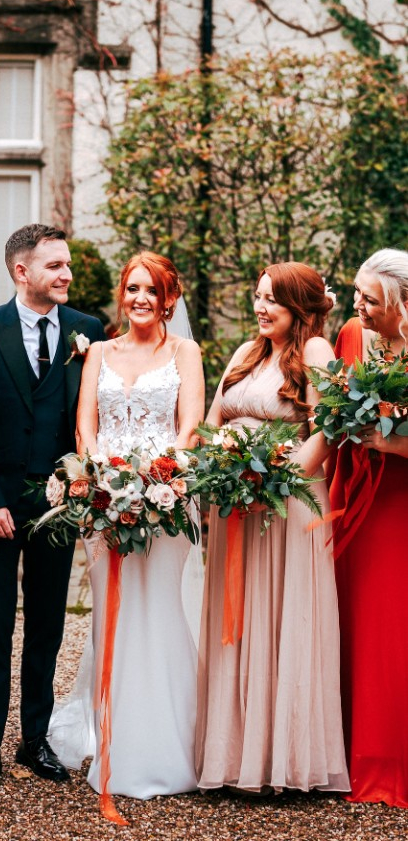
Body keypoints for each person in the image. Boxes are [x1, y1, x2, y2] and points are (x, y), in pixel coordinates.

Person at [53, 253, 205, 810]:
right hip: (105, 501)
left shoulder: (184, 352)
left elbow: (189, 426)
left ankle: (166, 748)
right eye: (133, 287)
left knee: (158, 610)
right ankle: (115, 743)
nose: (140, 298)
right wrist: (104, 481)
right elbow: (85, 425)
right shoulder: (98, 351)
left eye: (152, 290)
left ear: (170, 298)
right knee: (112, 617)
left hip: (167, 501)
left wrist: (154, 480)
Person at [0, 224, 105, 791]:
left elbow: (87, 417)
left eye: (66, 265)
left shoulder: (86, 331)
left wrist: (81, 490)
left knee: (46, 629)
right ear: (22, 272)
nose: (66, 275)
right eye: (55, 266)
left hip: (59, 508)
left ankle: (34, 741)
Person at [195, 262, 350, 794]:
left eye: (273, 302)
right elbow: (212, 421)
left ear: (300, 308)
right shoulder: (245, 352)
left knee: (283, 622)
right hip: (236, 505)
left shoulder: (316, 354)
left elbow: (330, 428)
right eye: (257, 298)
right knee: (237, 625)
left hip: (289, 505)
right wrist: (212, 468)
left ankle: (281, 760)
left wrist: (277, 483)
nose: (260, 309)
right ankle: (235, 755)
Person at [329, 248, 408, 807]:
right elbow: (331, 413)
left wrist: (396, 442)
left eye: (371, 299)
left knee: (389, 625)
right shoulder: (353, 339)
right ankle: (343, 751)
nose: (359, 304)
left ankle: (387, 759)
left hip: (399, 505)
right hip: (353, 494)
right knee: (350, 618)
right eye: (357, 292)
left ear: (403, 305)